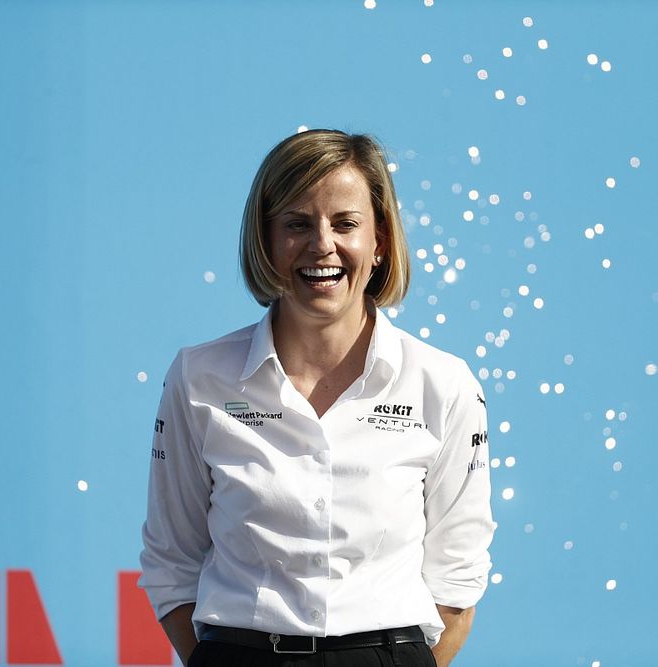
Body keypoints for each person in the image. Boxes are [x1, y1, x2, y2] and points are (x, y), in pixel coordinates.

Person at [139, 129, 494, 667]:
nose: (321, 244)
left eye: (345, 223)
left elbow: (456, 583)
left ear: (380, 242)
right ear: (265, 239)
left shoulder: (442, 383)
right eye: (297, 224)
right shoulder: (198, 376)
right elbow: (172, 562)